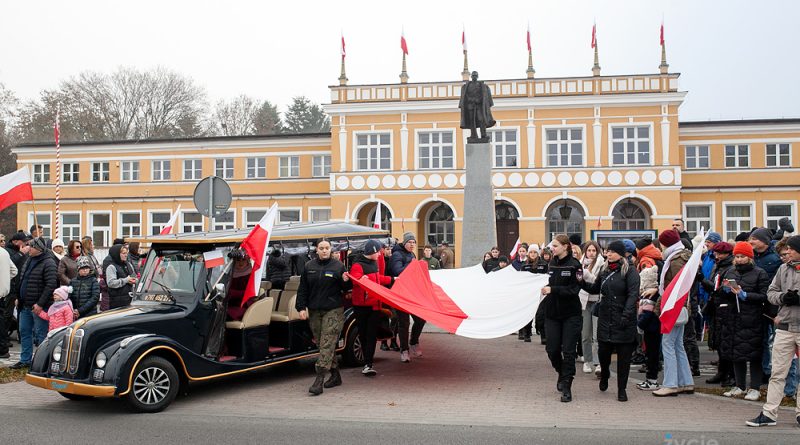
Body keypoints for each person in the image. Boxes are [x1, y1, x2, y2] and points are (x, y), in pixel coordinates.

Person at [746, 235, 800, 427]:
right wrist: (784, 297)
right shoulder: (783, 268)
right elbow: (770, 293)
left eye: (791, 249)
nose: (787, 253)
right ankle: (769, 413)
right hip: (784, 327)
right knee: (778, 372)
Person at [582, 241, 640, 402]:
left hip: (624, 320)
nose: (608, 254)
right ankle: (605, 375)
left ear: (621, 253)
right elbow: (595, 289)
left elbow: (633, 295)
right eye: (607, 251)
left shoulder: (630, 271)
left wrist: (626, 315)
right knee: (604, 354)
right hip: (606, 318)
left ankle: (622, 389)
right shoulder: (605, 270)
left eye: (612, 251)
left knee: (624, 358)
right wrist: (580, 282)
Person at [296, 240, 350, 396]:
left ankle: (319, 380)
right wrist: (301, 307)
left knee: (327, 343)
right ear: (316, 250)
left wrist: (346, 281)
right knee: (322, 344)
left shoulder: (338, 266)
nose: (325, 251)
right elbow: (303, 289)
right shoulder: (309, 266)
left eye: (327, 248)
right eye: (322, 248)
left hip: (333, 310)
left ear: (331, 250)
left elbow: (346, 288)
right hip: (314, 311)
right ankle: (336, 376)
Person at [718, 242, 770, 401]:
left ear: (750, 257)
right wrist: (726, 289)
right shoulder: (730, 271)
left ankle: (754, 388)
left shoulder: (759, 273)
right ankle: (739, 386)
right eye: (737, 256)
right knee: (736, 353)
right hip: (733, 318)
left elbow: (764, 296)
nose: (739, 260)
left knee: (754, 355)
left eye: (743, 257)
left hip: (752, 318)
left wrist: (745, 295)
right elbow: (720, 292)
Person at [541, 234, 583, 402]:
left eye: (556, 246)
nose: (552, 248)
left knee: (569, 351)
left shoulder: (575, 265)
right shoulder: (550, 264)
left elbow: (574, 290)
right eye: (552, 246)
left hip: (570, 314)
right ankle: (561, 372)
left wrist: (554, 290)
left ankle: (567, 385)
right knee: (551, 349)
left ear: (565, 247)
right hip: (552, 314)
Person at [653, 229, 695, 397]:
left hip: (673, 305)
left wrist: (662, 306)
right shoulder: (682, 256)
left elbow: (674, 286)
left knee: (668, 344)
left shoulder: (676, 259)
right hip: (679, 305)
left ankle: (670, 384)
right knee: (677, 345)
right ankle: (686, 382)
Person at [348, 240, 394, 377]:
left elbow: (377, 279)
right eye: (378, 252)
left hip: (375, 306)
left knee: (371, 335)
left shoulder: (374, 264)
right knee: (363, 334)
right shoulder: (357, 265)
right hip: (362, 307)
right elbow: (356, 281)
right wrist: (364, 280)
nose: (380, 254)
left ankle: (368, 364)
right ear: (372, 251)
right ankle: (366, 361)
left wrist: (392, 279)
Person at [11, 237, 58, 369]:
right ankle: (25, 360)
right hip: (24, 305)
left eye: (30, 246)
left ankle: (42, 362)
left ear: (38, 248)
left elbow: (51, 285)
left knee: (41, 335)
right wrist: (17, 297)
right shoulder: (29, 259)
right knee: (24, 332)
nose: (28, 248)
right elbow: (21, 278)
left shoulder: (49, 262)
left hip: (39, 307)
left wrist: (40, 304)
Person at [750, 227, 784, 383]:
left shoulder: (776, 259)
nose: (751, 242)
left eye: (754, 239)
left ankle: (779, 372)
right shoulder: (752, 258)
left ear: (764, 241)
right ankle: (765, 371)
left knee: (778, 340)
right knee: (762, 339)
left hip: (775, 305)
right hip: (759, 305)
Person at [702, 242, 737, 387]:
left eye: (720, 253)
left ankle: (730, 375)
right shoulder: (719, 266)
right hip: (717, 307)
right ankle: (722, 372)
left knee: (726, 343)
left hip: (726, 308)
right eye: (716, 253)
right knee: (718, 341)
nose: (717, 256)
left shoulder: (730, 268)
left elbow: (720, 289)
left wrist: (702, 280)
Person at [389, 232, 425, 362]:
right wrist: (412, 265)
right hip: (400, 294)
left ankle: (414, 342)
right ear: (404, 243)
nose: (412, 244)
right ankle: (404, 350)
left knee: (421, 319)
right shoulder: (397, 254)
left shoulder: (412, 255)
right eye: (410, 242)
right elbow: (397, 271)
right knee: (404, 323)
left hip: (413, 294)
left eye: (414, 242)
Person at [635, 237, 664, 390]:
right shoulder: (658, 258)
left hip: (650, 308)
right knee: (653, 345)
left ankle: (652, 380)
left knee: (651, 345)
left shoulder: (647, 261)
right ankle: (651, 377)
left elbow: (647, 285)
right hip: (656, 308)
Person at [579, 241, 605, 376]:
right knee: (585, 335)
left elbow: (598, 282)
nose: (591, 253)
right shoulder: (581, 263)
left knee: (597, 336)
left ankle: (599, 363)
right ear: (585, 251)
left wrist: (587, 275)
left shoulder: (602, 263)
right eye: (589, 250)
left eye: (594, 250)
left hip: (597, 301)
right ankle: (587, 361)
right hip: (584, 301)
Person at [520, 244, 548, 342]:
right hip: (529, 294)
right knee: (529, 314)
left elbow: (546, 278)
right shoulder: (524, 265)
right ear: (528, 253)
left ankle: (543, 336)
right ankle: (527, 334)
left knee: (541, 315)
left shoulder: (544, 264)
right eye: (531, 252)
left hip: (541, 294)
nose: (532, 254)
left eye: (535, 252)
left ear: (538, 253)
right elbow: (522, 279)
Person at [0, 245, 19, 359]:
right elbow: (14, 271)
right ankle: (3, 349)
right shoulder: (4, 252)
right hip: (3, 294)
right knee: (2, 322)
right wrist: (4, 281)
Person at [224, 249, 253, 321]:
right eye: (238, 260)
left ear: (247, 261)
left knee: (227, 314)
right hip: (229, 303)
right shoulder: (229, 274)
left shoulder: (251, 275)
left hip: (244, 304)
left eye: (243, 260)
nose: (241, 262)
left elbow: (250, 292)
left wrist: (232, 292)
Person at [105, 244, 137, 309]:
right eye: (123, 253)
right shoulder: (111, 267)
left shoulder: (129, 264)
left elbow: (134, 277)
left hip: (130, 300)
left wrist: (135, 280)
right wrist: (126, 280)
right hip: (117, 302)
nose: (126, 255)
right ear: (116, 254)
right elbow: (111, 283)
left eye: (126, 253)